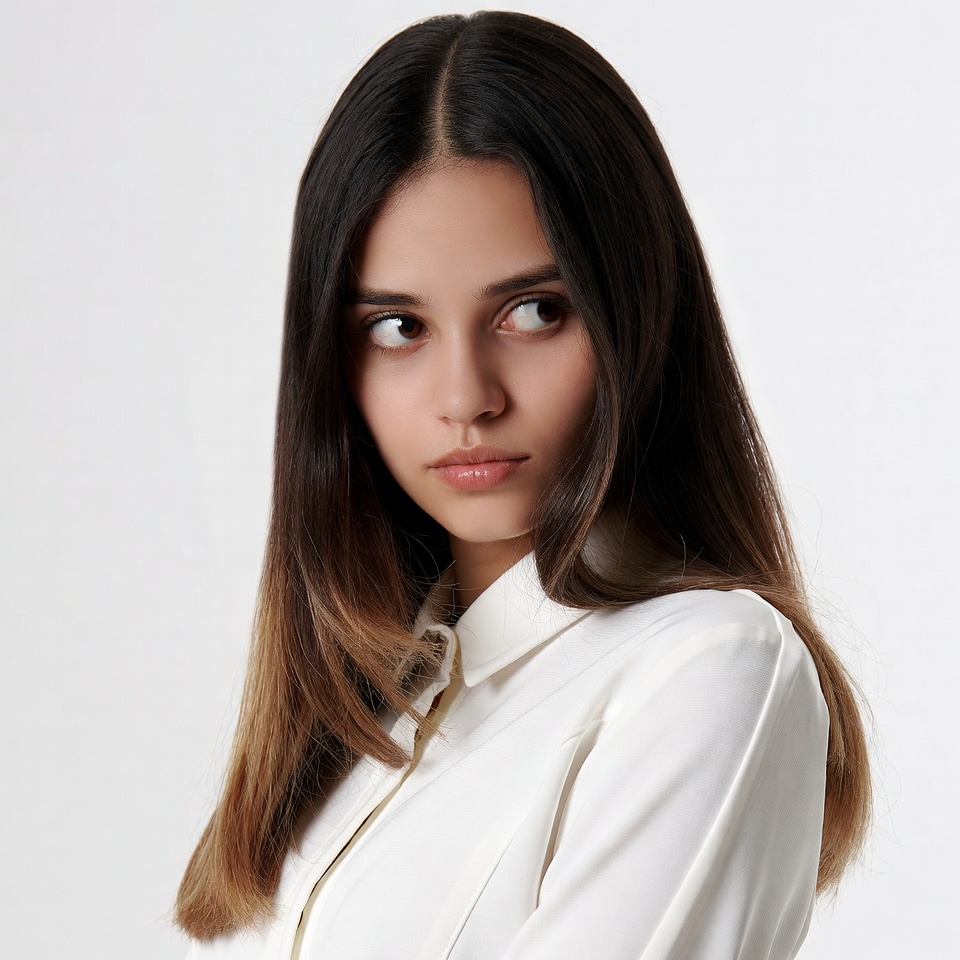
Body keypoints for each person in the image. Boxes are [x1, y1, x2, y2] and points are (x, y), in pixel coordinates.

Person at [176, 11, 870, 958]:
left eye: (535, 311)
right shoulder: (369, 711)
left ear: (637, 311)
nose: (466, 397)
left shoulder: (708, 667)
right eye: (398, 328)